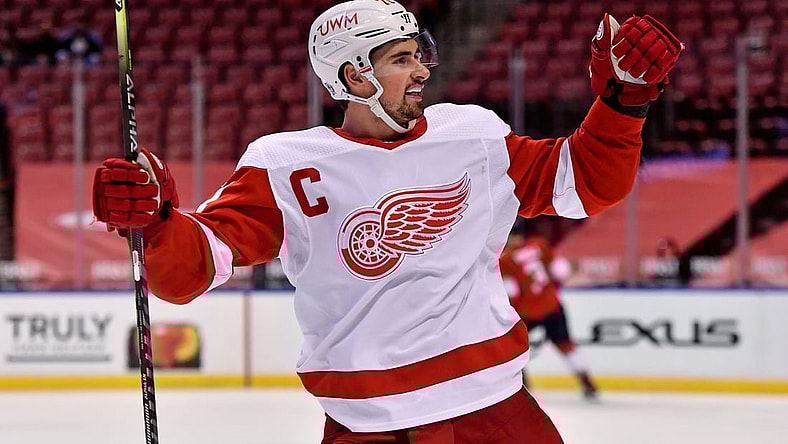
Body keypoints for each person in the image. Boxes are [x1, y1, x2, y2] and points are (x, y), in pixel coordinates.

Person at [92, 1, 683, 442]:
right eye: (402, 60)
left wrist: (623, 101)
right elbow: (189, 271)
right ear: (353, 76)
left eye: (420, 56)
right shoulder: (285, 165)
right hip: (368, 427)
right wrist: (157, 221)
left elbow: (585, 181)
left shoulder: (473, 134)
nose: (422, 71)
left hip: (496, 412)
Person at [499, 233, 598, 401]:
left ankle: (522, 388)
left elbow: (512, 292)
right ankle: (587, 383)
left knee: (512, 348)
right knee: (566, 345)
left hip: (526, 312)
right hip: (552, 306)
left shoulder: (505, 261)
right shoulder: (539, 245)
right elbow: (559, 271)